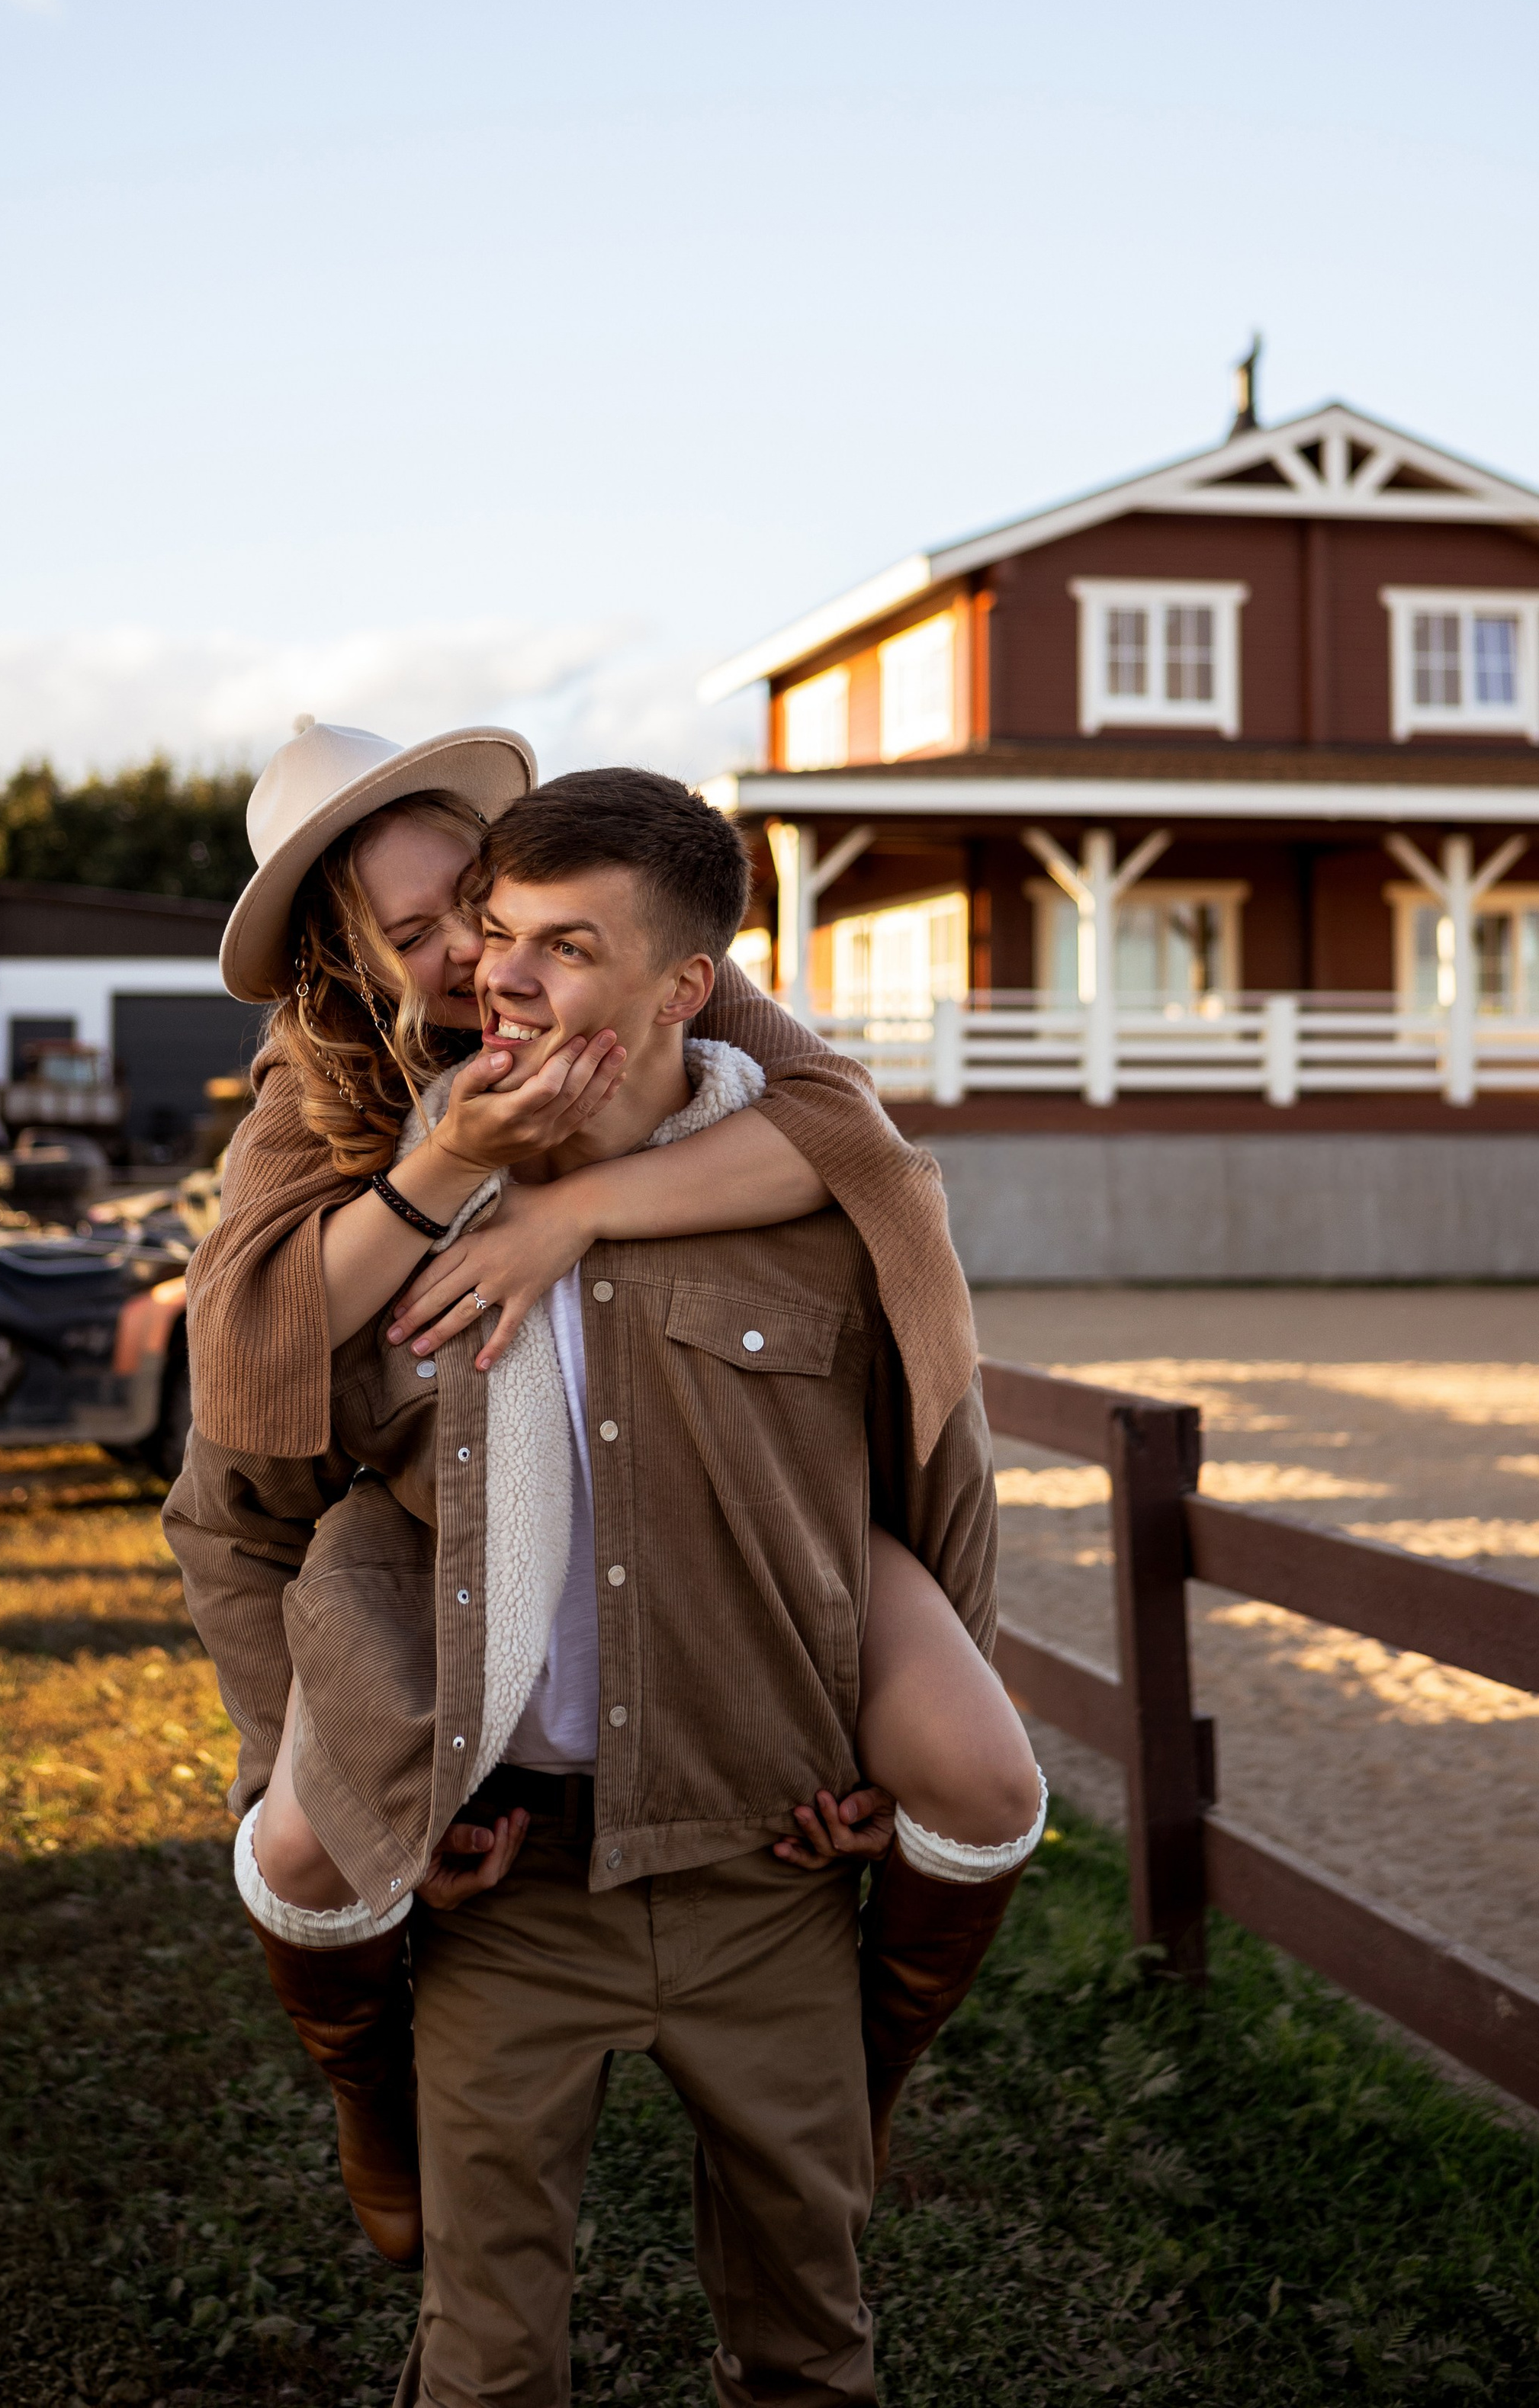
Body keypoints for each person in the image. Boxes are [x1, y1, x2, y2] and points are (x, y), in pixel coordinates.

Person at [165, 740, 1042, 2343]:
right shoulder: (320, 1104)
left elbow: (865, 1164)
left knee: (984, 1774)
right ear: (337, 959)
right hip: (425, 1535)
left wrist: (566, 1212)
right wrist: (460, 1166)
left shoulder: (659, 992)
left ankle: (862, 2080)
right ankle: (365, 2083)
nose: (465, 960)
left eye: (478, 906)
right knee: (298, 1849)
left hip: (720, 1557)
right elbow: (236, 1418)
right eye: (413, 932)